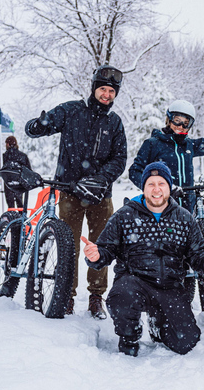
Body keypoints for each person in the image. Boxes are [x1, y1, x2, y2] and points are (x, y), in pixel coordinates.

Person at [81, 162, 204, 356]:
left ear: (169, 187)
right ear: (144, 187)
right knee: (121, 299)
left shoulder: (184, 218)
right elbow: (105, 250)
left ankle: (158, 326)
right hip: (133, 283)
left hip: (169, 287)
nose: (156, 189)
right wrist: (96, 256)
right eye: (151, 184)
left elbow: (199, 259)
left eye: (161, 183)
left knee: (186, 343)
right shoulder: (124, 215)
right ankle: (129, 335)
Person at [25, 64, 128, 320]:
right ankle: (66, 295)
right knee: (68, 244)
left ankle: (96, 297)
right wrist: (37, 125)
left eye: (111, 91)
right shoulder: (72, 110)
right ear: (94, 88)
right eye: (103, 89)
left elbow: (120, 158)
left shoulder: (114, 123)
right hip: (70, 192)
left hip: (100, 196)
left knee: (101, 245)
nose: (106, 95)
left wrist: (100, 179)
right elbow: (44, 125)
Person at [129, 99, 204, 212]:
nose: (180, 126)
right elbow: (134, 171)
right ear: (169, 119)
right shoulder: (153, 144)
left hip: (187, 209)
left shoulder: (189, 146)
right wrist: (157, 189)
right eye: (177, 120)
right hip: (162, 207)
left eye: (186, 123)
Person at [0, 135, 32, 209]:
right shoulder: (23, 156)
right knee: (20, 205)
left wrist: (6, 176)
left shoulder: (4, 156)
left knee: (10, 206)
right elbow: (29, 170)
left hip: (8, 183)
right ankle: (21, 219)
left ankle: (12, 218)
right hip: (20, 184)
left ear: (8, 144)